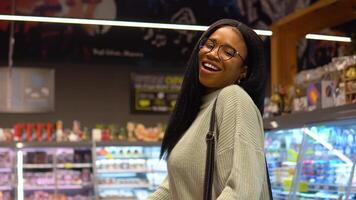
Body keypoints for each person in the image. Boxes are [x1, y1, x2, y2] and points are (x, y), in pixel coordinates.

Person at [148, 19, 271, 199]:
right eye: (210, 45)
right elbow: (172, 187)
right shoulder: (197, 110)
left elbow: (242, 192)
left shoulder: (233, 97)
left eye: (228, 52)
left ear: (243, 70)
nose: (213, 54)